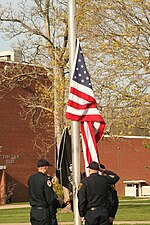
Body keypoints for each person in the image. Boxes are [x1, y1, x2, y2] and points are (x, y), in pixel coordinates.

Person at [28, 159, 56, 225]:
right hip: (43, 212)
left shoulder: (31, 178)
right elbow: (50, 199)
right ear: (45, 167)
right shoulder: (45, 180)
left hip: (34, 211)